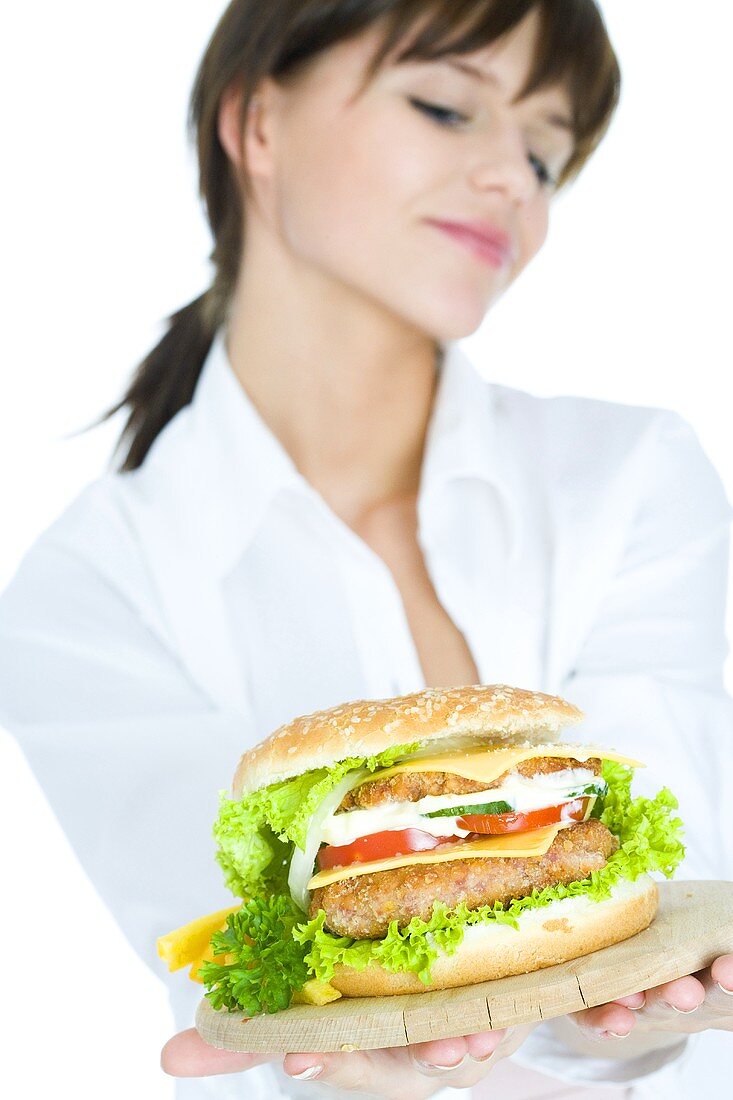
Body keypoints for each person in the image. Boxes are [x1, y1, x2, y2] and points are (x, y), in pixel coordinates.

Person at [1, 1, 732, 1098]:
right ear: (256, 123)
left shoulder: (632, 474)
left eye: (544, 152)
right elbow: (239, 962)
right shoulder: (87, 587)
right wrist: (359, 1051)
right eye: (446, 107)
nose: (513, 184)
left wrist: (628, 1010)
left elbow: (656, 897)